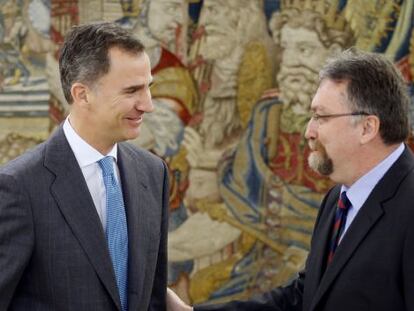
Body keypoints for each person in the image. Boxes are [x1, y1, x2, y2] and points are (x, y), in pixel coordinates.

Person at [166, 48, 414, 310]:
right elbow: (302, 298)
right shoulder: (338, 199)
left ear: (367, 128)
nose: (309, 130)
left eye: (321, 116)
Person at [0, 22, 169, 311]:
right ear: (82, 95)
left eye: (148, 88)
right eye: (132, 91)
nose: (148, 105)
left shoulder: (154, 173)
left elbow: (151, 296)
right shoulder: (19, 187)